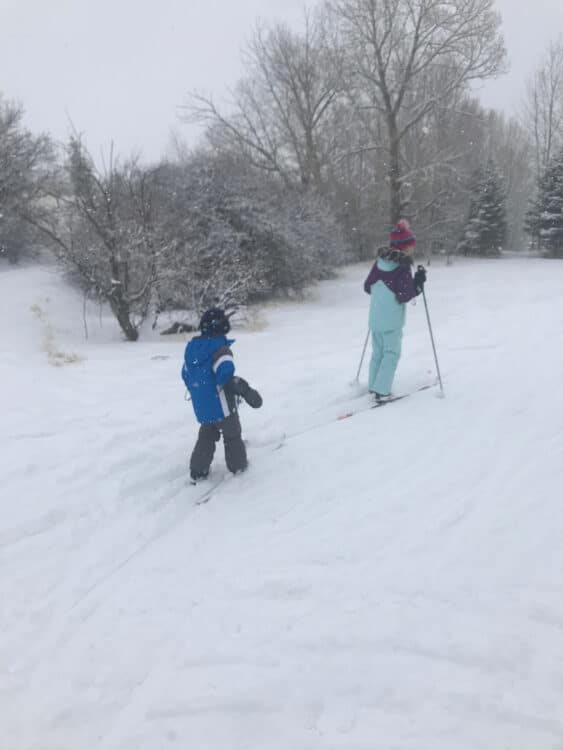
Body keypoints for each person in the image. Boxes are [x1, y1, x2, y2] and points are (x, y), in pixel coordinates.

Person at [181, 308, 262, 482]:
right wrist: (243, 389)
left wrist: (200, 390)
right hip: (223, 406)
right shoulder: (220, 349)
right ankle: (237, 466)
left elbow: (185, 374)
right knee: (232, 435)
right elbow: (225, 374)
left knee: (207, 435)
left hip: (203, 406)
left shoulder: (192, 348)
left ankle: (198, 469)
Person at [363, 219, 426, 401]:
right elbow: (405, 295)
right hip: (391, 322)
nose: (413, 249)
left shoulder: (379, 262)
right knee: (391, 354)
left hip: (375, 319)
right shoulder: (402, 267)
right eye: (411, 246)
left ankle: (374, 385)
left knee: (378, 353)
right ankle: (382, 391)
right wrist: (419, 282)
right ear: (405, 247)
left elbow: (368, 286)